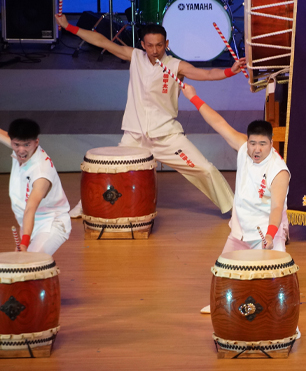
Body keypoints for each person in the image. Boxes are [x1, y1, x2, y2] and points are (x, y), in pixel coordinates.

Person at [54, 16, 240, 216]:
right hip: (134, 136)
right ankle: (86, 205)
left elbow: (207, 74)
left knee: (205, 169)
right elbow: (102, 41)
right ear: (143, 45)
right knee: (110, 170)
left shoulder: (176, 66)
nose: (155, 50)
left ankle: (236, 209)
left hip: (166, 137)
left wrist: (230, 71)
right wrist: (68, 26)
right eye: (150, 45)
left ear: (166, 44)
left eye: (159, 45)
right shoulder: (135, 57)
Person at [180, 85, 291, 314]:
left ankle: (289, 325)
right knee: (223, 273)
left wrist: (270, 235)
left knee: (276, 286)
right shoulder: (243, 149)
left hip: (265, 235)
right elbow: (218, 122)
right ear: (247, 141)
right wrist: (193, 97)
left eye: (262, 144)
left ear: (271, 144)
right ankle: (220, 307)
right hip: (240, 230)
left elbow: (277, 208)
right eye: (253, 143)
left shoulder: (279, 171)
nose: (256, 149)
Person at [1, 119, 71, 255]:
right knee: (26, 263)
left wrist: (24, 243)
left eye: (26, 145)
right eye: (16, 144)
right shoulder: (20, 147)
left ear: (36, 142)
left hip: (50, 224)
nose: (21, 150)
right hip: (29, 223)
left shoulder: (41, 173)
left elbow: (30, 208)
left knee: (29, 263)